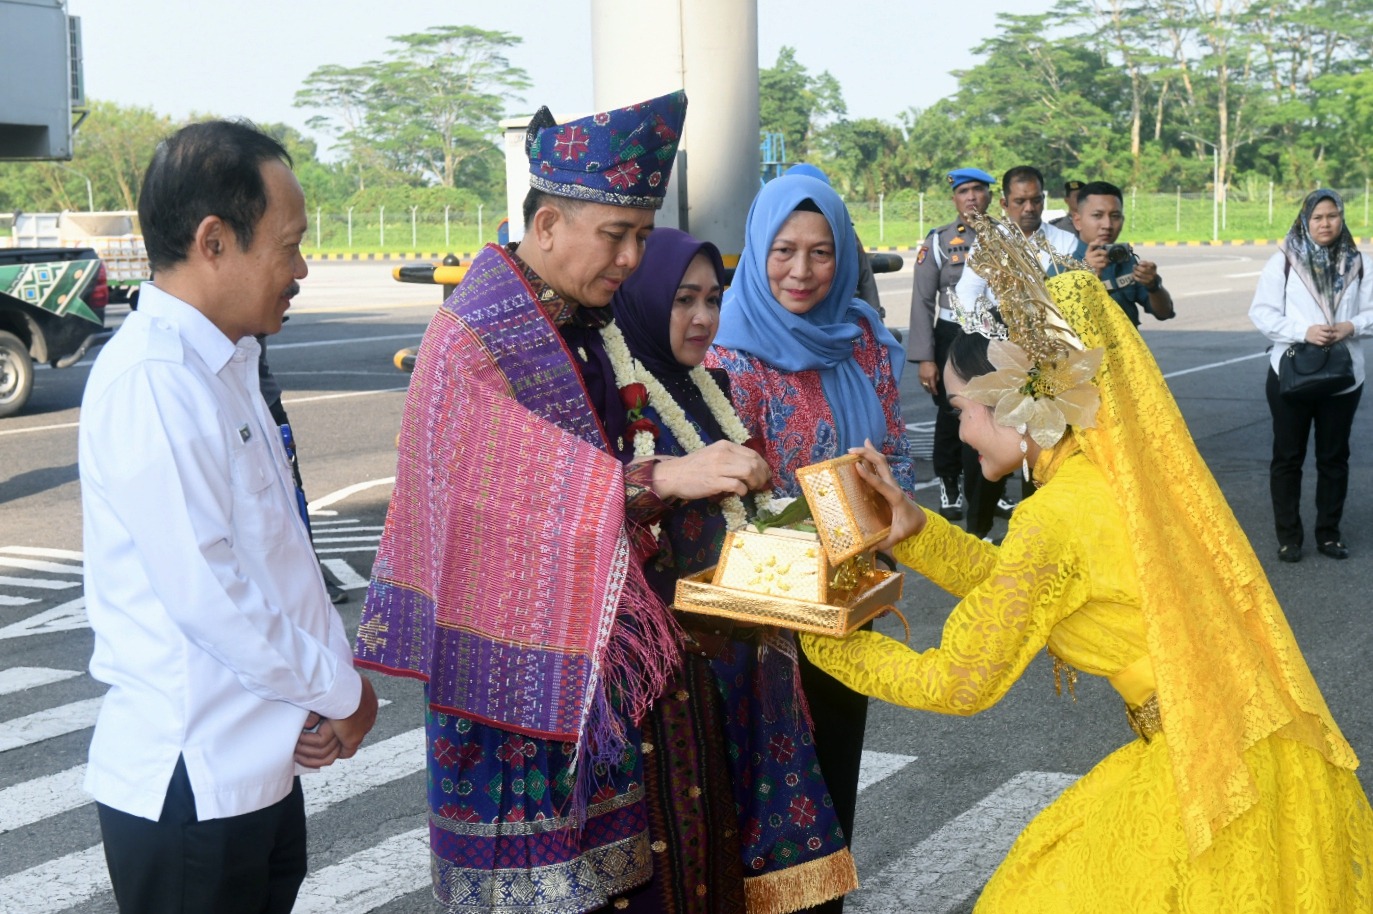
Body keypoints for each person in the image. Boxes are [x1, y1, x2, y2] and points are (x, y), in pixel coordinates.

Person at [799, 223, 1373, 912]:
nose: (956, 431)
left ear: (1015, 405)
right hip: (1251, 747)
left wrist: (818, 634)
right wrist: (918, 533)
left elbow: (958, 681)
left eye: (960, 412)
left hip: (1209, 771)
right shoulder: (1102, 482)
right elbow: (1032, 590)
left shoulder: (1055, 514)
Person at [354, 91, 775, 914]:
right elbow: (496, 502)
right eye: (614, 236)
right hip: (509, 684)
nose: (628, 259)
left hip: (589, 653)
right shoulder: (475, 335)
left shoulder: (586, 319)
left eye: (641, 238)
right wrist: (660, 480)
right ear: (546, 226)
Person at [78, 120, 378, 914]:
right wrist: (341, 689)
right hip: (191, 780)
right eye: (289, 245)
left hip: (256, 769)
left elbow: (277, 556)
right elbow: (210, 592)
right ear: (215, 241)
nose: (303, 268)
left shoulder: (228, 362)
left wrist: (322, 687)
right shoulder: (156, 380)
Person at [609, 227, 859, 912]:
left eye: (712, 299)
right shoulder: (616, 397)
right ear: (641, 298)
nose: (700, 317)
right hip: (676, 676)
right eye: (682, 299)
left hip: (747, 649)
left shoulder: (706, 386)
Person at [706, 171, 913, 914]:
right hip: (764, 616)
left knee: (834, 766)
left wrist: (891, 517)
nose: (801, 272)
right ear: (756, 251)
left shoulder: (859, 338)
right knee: (763, 790)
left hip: (850, 600)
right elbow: (736, 499)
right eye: (783, 251)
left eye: (821, 252)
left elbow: (891, 453)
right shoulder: (730, 358)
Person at [1249, 188, 1373, 563]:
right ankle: (1289, 537)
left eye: (1332, 215)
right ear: (1305, 220)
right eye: (1317, 217)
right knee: (1288, 456)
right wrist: (1304, 331)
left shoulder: (1358, 263)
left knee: (1334, 457)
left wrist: (1352, 324)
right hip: (1291, 372)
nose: (1325, 223)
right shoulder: (1283, 262)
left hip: (1343, 377)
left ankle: (1328, 534)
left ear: (1342, 217)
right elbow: (1263, 313)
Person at [953, 165, 1073, 536]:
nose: (1029, 208)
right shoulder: (992, 240)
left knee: (1039, 446)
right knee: (990, 445)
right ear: (1005, 203)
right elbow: (967, 292)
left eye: (1036, 199)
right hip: (999, 357)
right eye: (1020, 201)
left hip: (1051, 362)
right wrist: (987, 334)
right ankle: (979, 531)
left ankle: (1034, 532)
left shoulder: (1063, 243)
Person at [908, 167, 995, 523]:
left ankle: (992, 489)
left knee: (996, 413)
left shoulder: (1005, 236)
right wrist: (925, 358)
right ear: (954, 198)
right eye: (964, 191)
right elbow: (922, 300)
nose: (971, 197)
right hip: (951, 334)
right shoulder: (940, 241)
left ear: (989, 196)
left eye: (978, 189)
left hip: (993, 335)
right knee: (950, 413)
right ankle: (950, 485)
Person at [1069, 181, 1174, 327]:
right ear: (1077, 221)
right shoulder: (1060, 267)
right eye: (1097, 215)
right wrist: (1085, 279)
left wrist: (1153, 285)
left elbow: (1164, 313)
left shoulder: (1125, 260)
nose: (1107, 225)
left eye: (1115, 216)